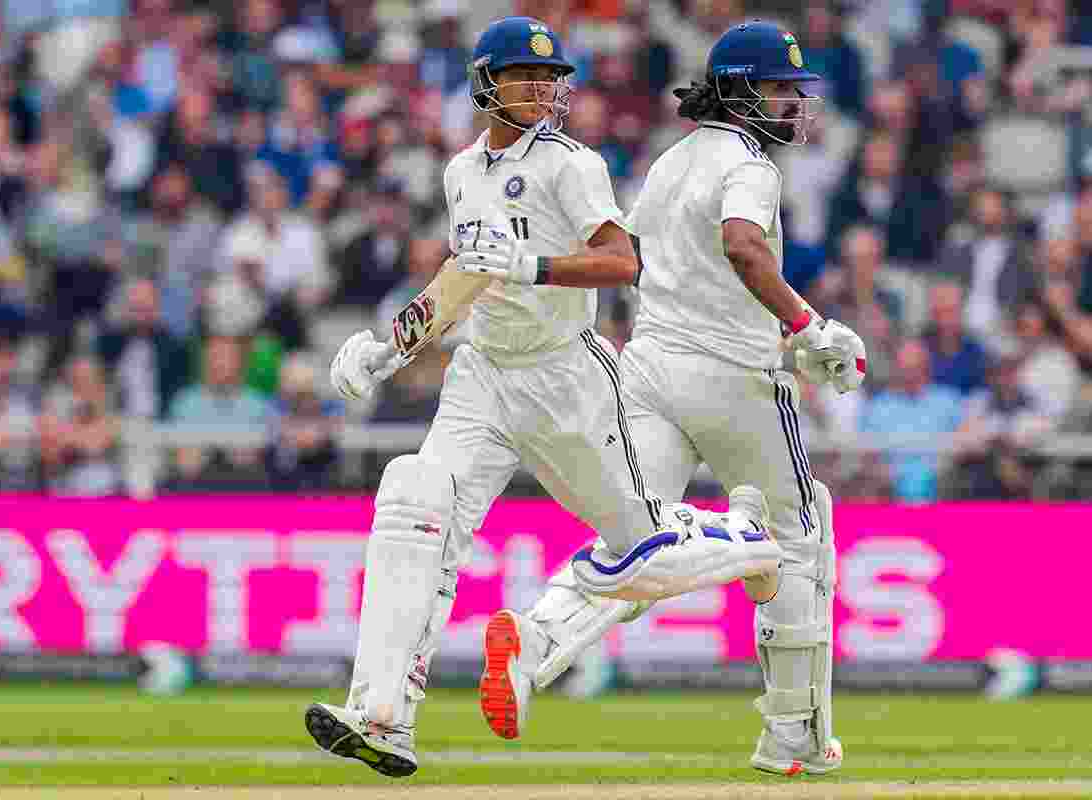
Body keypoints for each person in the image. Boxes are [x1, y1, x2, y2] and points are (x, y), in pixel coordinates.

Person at [305, 16, 781, 778]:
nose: (541, 89)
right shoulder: (461, 173)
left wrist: (530, 264)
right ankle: (383, 716)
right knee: (416, 499)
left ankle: (747, 538)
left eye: (549, 76)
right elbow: (466, 274)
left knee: (638, 558)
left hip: (568, 379)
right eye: (524, 75)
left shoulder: (571, 165)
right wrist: (388, 347)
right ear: (485, 83)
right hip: (483, 375)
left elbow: (623, 262)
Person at [478, 20, 864, 777]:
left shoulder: (669, 160)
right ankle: (793, 735)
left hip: (649, 370)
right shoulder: (750, 165)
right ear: (740, 92)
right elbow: (742, 246)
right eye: (779, 89)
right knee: (799, 537)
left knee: (635, 541)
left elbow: (649, 263)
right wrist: (806, 326)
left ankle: (537, 640)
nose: (792, 104)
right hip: (736, 380)